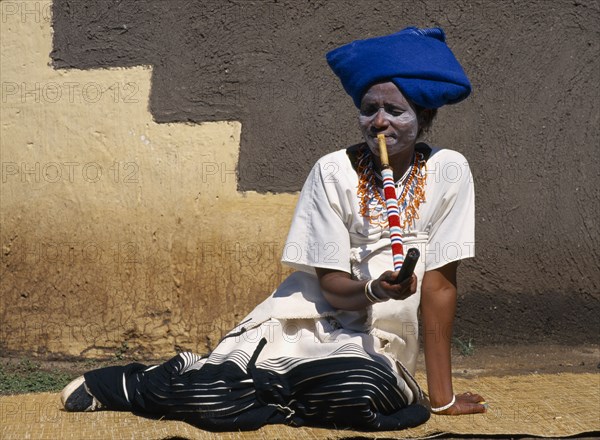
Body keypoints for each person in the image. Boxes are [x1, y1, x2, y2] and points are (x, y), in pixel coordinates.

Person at [60, 26, 486, 431]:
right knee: (217, 401)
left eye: (395, 111)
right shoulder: (332, 170)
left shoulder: (450, 171)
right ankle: (145, 382)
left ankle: (257, 393)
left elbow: (440, 288)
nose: (378, 122)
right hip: (310, 321)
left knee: (358, 388)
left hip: (379, 344)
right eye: (368, 109)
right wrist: (375, 289)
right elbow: (334, 287)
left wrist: (442, 399)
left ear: (423, 115)